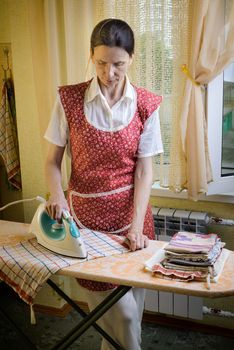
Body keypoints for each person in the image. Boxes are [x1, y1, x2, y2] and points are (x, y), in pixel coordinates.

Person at [44, 18, 163, 350]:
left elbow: (144, 172)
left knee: (130, 313)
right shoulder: (69, 100)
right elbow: (52, 162)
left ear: (131, 59)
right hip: (87, 227)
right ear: (91, 56)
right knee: (120, 318)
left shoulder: (146, 105)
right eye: (101, 63)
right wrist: (57, 196)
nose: (109, 73)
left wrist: (137, 228)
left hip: (133, 225)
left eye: (119, 64)